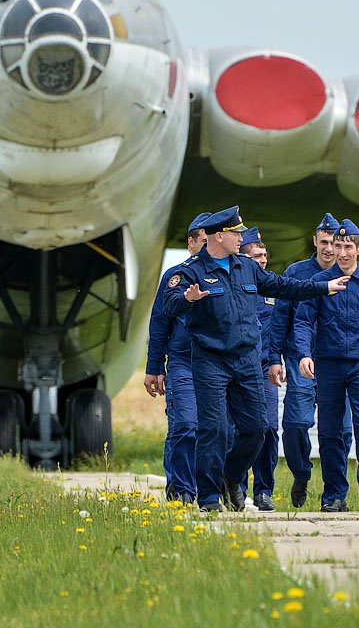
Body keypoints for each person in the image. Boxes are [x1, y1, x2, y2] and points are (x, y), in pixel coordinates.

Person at [162, 206, 349, 512]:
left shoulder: (246, 267)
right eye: (236, 233)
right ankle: (209, 498)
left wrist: (323, 287)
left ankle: (231, 476)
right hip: (210, 360)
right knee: (214, 429)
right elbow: (169, 305)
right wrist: (187, 299)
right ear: (219, 236)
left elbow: (283, 286)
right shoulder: (192, 270)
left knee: (257, 429)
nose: (241, 238)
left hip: (247, 360)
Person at [292, 219, 359, 512]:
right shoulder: (321, 283)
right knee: (330, 431)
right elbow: (302, 321)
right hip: (328, 365)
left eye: (348, 247)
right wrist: (303, 354)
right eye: (338, 246)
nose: (342, 253)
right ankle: (334, 494)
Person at [266, 213, 354, 508]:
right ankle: (301, 473)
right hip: (299, 359)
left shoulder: (353, 275)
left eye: (336, 243)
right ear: (315, 241)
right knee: (294, 425)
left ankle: (335, 491)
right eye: (325, 242)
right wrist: (273, 357)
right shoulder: (297, 273)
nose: (330, 249)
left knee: (342, 431)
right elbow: (280, 319)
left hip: (336, 361)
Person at [145, 212, 210, 504]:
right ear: (191, 243)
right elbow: (160, 324)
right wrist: (154, 367)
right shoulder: (176, 278)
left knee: (218, 430)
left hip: (216, 362)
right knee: (185, 426)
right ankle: (182, 489)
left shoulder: (224, 274)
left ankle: (211, 487)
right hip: (183, 359)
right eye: (203, 242)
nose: (208, 248)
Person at [239, 227, 280, 511]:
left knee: (268, 428)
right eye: (256, 257)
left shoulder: (272, 290)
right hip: (238, 369)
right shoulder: (236, 287)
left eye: (264, 255)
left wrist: (277, 360)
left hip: (265, 370)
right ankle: (236, 487)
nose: (263, 261)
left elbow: (278, 330)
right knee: (238, 430)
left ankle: (264, 490)